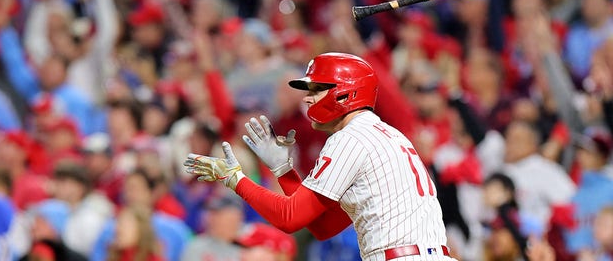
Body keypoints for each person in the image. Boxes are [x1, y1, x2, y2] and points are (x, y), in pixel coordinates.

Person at [185, 52, 454, 260]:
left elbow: (288, 218)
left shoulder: (350, 138)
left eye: (316, 90)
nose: (307, 99)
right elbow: (322, 227)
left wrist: (235, 180)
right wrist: (284, 171)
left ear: (345, 92)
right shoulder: (384, 135)